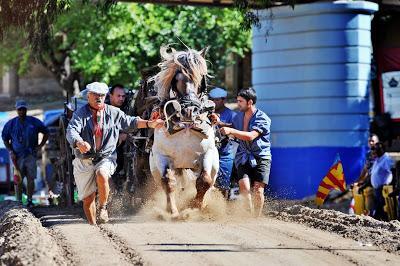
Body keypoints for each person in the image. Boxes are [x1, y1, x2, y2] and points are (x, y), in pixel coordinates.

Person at [66, 82, 163, 225]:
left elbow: (130, 122)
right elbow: (72, 130)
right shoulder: (80, 114)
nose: (99, 98)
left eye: (101, 95)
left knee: (102, 173)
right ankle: (93, 227)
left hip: (106, 156)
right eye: (95, 95)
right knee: (88, 199)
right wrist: (79, 142)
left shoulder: (113, 112)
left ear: (105, 96)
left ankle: (103, 207)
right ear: (88, 96)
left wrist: (149, 123)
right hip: (84, 159)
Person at [219, 87, 272, 217]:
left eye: (241, 101)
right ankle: (249, 217)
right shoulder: (238, 116)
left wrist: (231, 131)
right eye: (237, 101)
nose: (238, 104)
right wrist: (219, 123)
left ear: (250, 102)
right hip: (242, 157)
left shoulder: (263, 118)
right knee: (245, 189)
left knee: (258, 190)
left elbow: (250, 136)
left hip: (261, 157)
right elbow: (232, 127)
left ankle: (256, 218)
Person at [2, 100, 49, 207]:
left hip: (31, 155)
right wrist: (10, 151)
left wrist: (40, 146)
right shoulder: (11, 124)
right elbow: (5, 138)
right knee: (18, 179)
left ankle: (29, 200)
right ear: (16, 110)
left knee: (31, 178)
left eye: (23, 109)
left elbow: (46, 132)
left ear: (26, 110)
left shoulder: (34, 121)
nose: (21, 111)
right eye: (19, 109)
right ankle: (18, 201)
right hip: (17, 156)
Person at [208, 87, 236, 198]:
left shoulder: (232, 114)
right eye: (212, 99)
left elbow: (235, 128)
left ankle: (222, 207)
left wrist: (220, 123)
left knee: (223, 184)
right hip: (207, 153)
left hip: (224, 153)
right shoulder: (206, 113)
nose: (214, 102)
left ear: (223, 100)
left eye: (217, 100)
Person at [107, 84, 128, 189]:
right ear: (110, 96)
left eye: (123, 96)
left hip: (127, 145)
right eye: (118, 96)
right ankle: (111, 193)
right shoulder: (103, 109)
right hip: (107, 148)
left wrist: (127, 135)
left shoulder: (128, 108)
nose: (121, 99)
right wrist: (118, 136)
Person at [370, 142, 393, 220]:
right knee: (378, 211)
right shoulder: (378, 159)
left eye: (376, 149)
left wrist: (388, 184)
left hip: (382, 190)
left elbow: (392, 171)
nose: (374, 151)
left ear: (381, 149)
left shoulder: (386, 159)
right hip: (376, 190)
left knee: (379, 211)